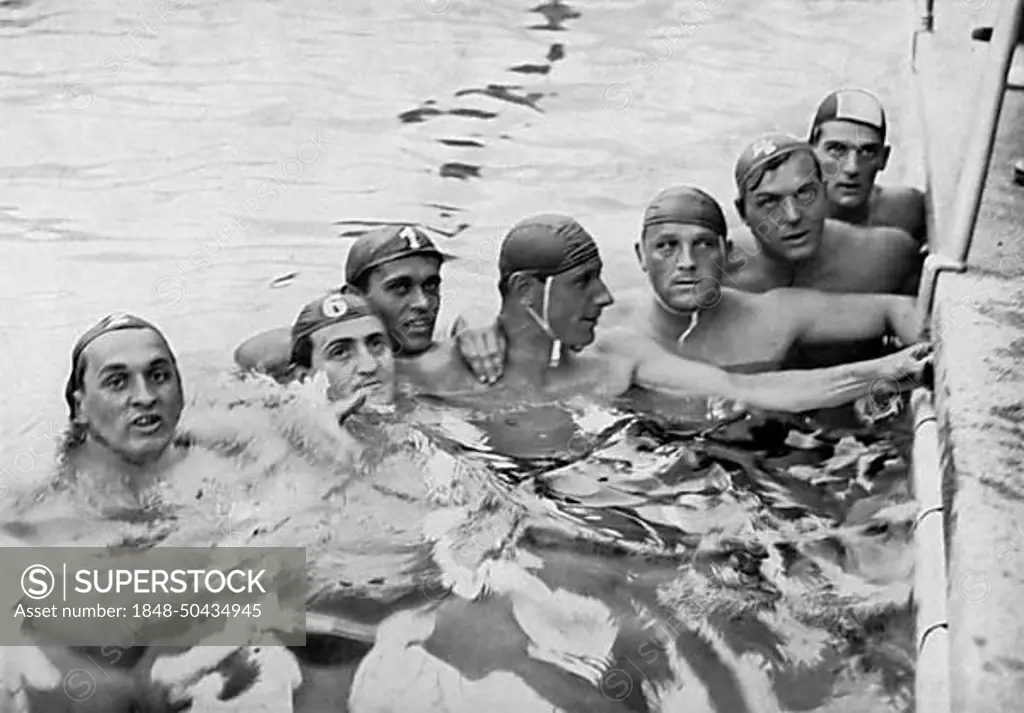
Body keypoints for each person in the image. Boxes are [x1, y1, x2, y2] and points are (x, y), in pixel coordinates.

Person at [404, 213, 930, 412]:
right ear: (525, 291)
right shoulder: (433, 376)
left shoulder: (616, 357)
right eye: (584, 284)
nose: (605, 298)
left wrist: (881, 372)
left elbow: (749, 391)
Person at [629, 186, 920, 370]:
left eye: (703, 245)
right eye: (666, 247)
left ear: (726, 253)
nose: (687, 263)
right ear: (641, 255)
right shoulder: (610, 328)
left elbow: (896, 310)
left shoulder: (774, 315)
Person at [234, 224, 505, 383]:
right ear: (355, 296)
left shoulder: (454, 344)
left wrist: (476, 317)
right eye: (401, 288)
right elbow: (252, 353)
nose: (423, 303)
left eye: (431, 285)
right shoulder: (323, 354)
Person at [725, 133, 923, 296]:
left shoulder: (886, 257)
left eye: (805, 195)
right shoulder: (717, 273)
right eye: (769, 202)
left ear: (824, 193)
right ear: (743, 213)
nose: (792, 216)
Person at [808, 88, 926, 244]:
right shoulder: (787, 224)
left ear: (884, 158)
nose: (852, 168)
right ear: (809, 154)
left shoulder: (906, 212)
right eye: (837, 149)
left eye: (867, 152)